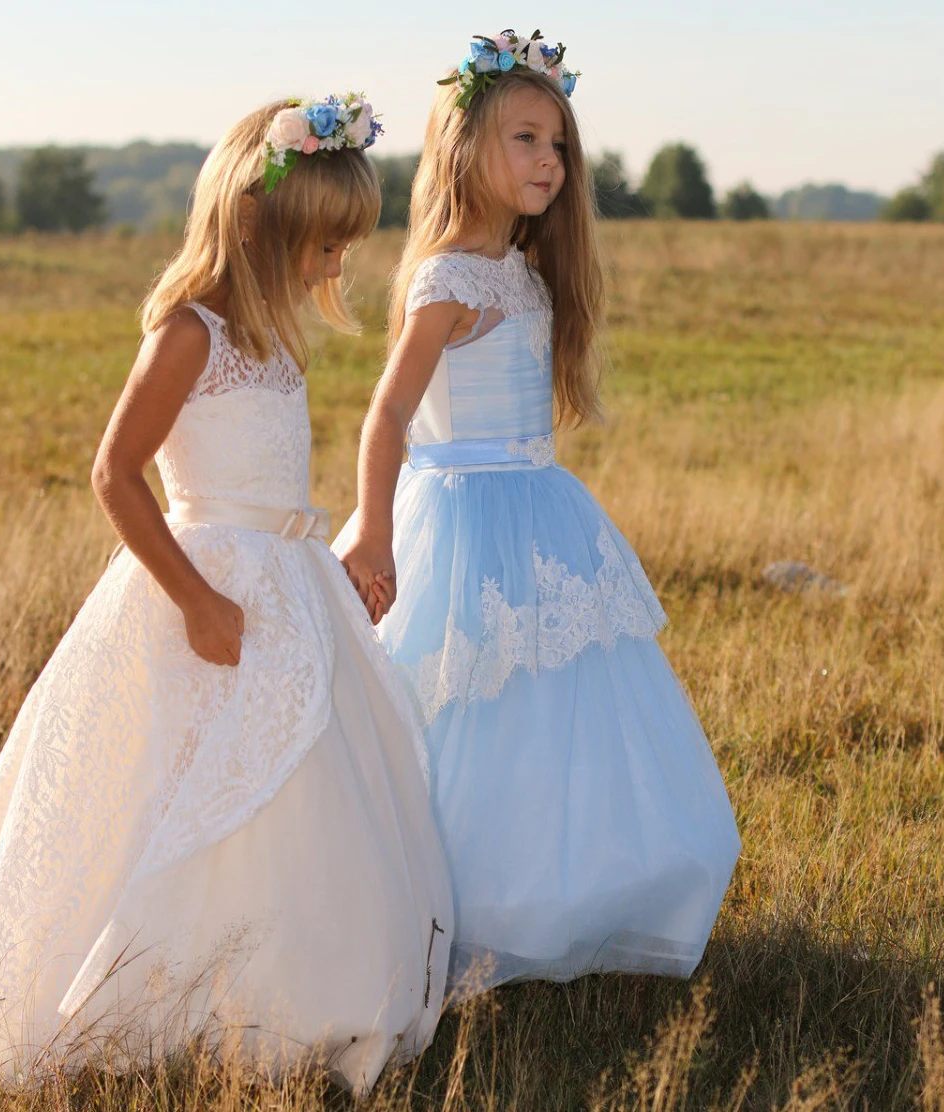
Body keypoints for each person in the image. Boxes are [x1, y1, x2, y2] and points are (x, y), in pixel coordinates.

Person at [0, 95, 453, 1095]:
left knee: (301, 791)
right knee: (190, 781)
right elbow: (114, 473)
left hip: (288, 591)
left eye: (342, 247)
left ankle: (297, 985)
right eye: (320, 245)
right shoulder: (188, 334)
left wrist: (320, 563)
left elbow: (277, 494)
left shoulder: (276, 342)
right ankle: (167, 988)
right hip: (207, 595)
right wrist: (196, 598)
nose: (334, 267)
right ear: (254, 221)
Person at [334, 32, 740, 996]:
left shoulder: (518, 271)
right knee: (469, 712)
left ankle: (569, 894)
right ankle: (467, 910)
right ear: (464, 145)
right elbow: (388, 412)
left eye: (557, 145)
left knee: (558, 709)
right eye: (525, 139)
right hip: (465, 518)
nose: (548, 162)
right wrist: (371, 524)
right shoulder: (445, 279)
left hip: (542, 512)